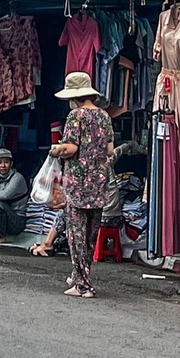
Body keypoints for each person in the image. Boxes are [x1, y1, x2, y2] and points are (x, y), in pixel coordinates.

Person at [51, 71, 115, 298]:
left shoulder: (75, 116)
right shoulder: (104, 116)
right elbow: (109, 150)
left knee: (76, 235)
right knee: (90, 236)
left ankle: (83, 285)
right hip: (98, 183)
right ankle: (80, 277)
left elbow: (71, 149)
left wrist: (56, 149)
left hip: (78, 183)